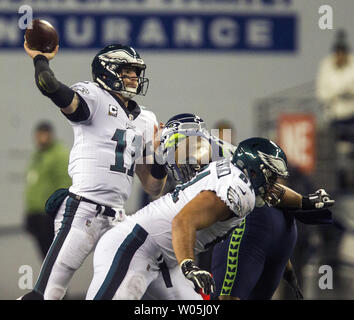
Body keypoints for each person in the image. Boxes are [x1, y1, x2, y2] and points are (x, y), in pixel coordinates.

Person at [85, 137, 334, 300]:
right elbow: (182, 222)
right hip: (135, 247)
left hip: (165, 261)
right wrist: (189, 265)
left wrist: (304, 202)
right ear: (255, 171)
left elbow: (277, 195)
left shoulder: (239, 172)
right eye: (271, 176)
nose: (275, 185)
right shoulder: (238, 191)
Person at [20, 42, 167, 300]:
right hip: (83, 211)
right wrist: (40, 59)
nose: (134, 76)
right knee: (46, 295)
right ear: (108, 71)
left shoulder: (147, 119)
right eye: (128, 70)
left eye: (136, 71)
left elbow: (153, 187)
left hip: (119, 219)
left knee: (134, 285)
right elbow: (50, 85)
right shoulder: (94, 97)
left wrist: (161, 157)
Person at [24, 121, 71, 260]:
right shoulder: (38, 155)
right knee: (45, 256)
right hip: (36, 213)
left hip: (48, 215)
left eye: (42, 135)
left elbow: (65, 186)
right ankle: (49, 281)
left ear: (50, 135)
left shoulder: (59, 155)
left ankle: (53, 281)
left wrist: (55, 211)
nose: (39, 139)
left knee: (52, 258)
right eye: (37, 136)